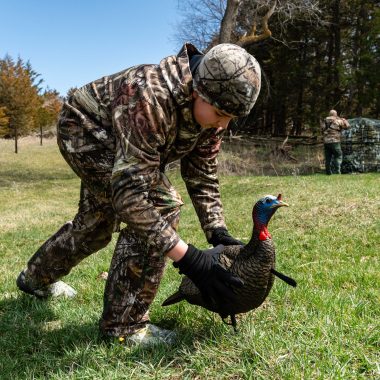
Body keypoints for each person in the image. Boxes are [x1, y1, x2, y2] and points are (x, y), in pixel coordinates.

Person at [16, 43, 261, 345]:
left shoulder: (213, 108)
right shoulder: (150, 95)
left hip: (120, 142)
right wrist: (191, 260)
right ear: (197, 89)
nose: (222, 124)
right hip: (84, 131)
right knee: (160, 203)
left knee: (96, 225)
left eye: (231, 119)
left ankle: (34, 279)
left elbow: (202, 172)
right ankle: (124, 325)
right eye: (220, 114)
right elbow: (130, 194)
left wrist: (217, 230)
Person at [322, 109, 350, 175]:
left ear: (329, 114)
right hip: (335, 141)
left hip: (326, 142)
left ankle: (328, 172)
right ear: (335, 114)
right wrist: (344, 120)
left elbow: (322, 129)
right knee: (338, 156)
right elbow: (348, 127)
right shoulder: (338, 120)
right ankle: (338, 172)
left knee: (328, 157)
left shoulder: (324, 120)